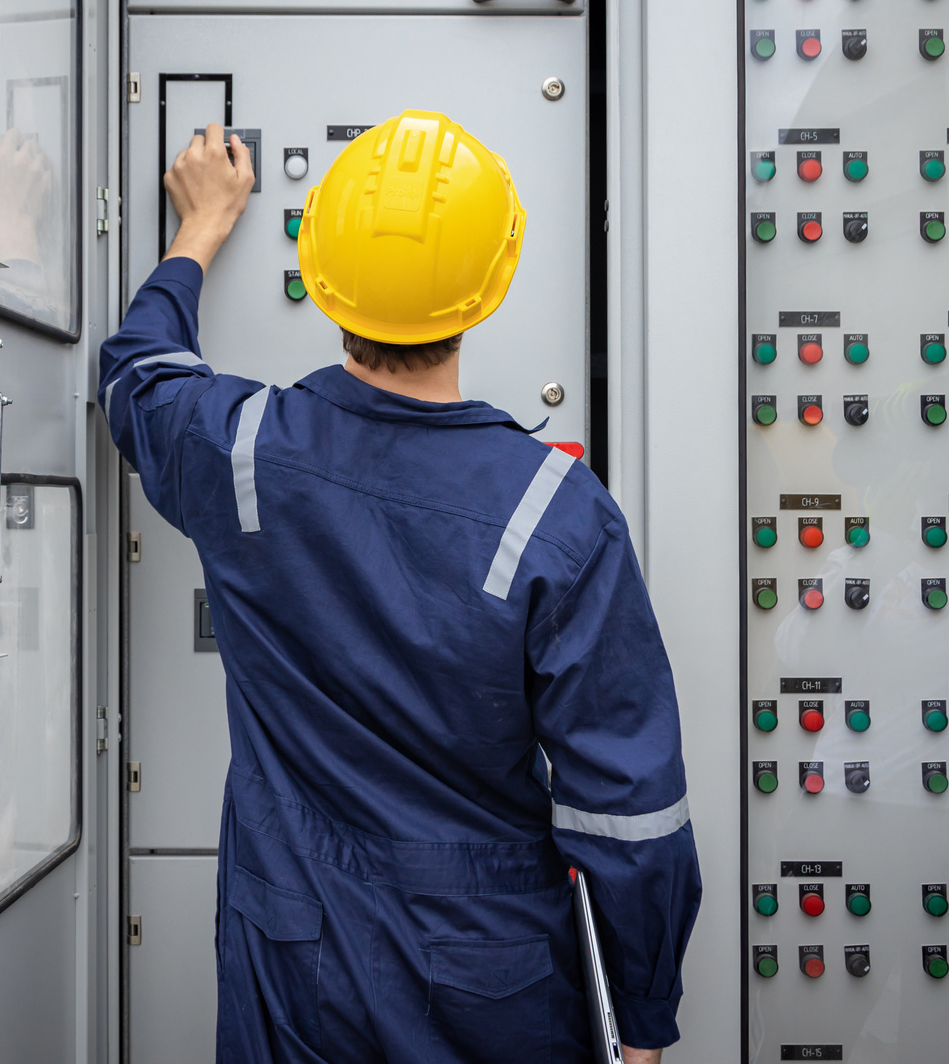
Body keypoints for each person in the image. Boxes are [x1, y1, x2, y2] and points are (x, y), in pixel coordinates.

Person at [101, 112, 700, 1062]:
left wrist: (198, 231)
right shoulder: (557, 511)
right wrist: (643, 1018)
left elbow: (135, 376)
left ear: (323, 273)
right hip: (489, 977)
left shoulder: (242, 451)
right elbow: (628, 814)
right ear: (489, 287)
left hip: (292, 959)